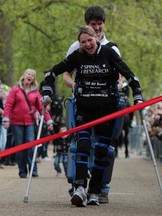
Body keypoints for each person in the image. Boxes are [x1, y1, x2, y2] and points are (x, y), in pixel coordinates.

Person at [41, 25, 143, 207]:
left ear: (96, 37)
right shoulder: (77, 56)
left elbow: (130, 75)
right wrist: (47, 90)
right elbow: (51, 73)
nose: (87, 44)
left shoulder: (109, 52)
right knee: (83, 144)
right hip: (84, 107)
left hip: (107, 108)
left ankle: (95, 190)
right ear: (79, 44)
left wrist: (137, 96)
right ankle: (79, 188)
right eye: (83, 42)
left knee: (102, 150)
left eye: (90, 40)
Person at [63, 6, 123, 204]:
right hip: (83, 102)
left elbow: (121, 74)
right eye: (92, 24)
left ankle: (101, 187)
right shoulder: (76, 46)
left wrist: (116, 87)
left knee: (105, 146)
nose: (96, 28)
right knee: (80, 143)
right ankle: (78, 185)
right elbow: (66, 75)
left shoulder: (111, 48)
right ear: (86, 25)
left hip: (106, 103)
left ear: (104, 24)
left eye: (99, 24)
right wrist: (76, 86)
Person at [3, 68, 54, 178]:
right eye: (28, 74)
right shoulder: (15, 90)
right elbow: (8, 105)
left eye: (32, 75)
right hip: (16, 123)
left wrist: (48, 121)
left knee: (31, 145)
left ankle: (33, 169)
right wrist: (6, 118)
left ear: (33, 79)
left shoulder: (35, 92)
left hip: (30, 122)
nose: (30, 76)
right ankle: (22, 170)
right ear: (24, 75)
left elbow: (42, 108)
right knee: (20, 147)